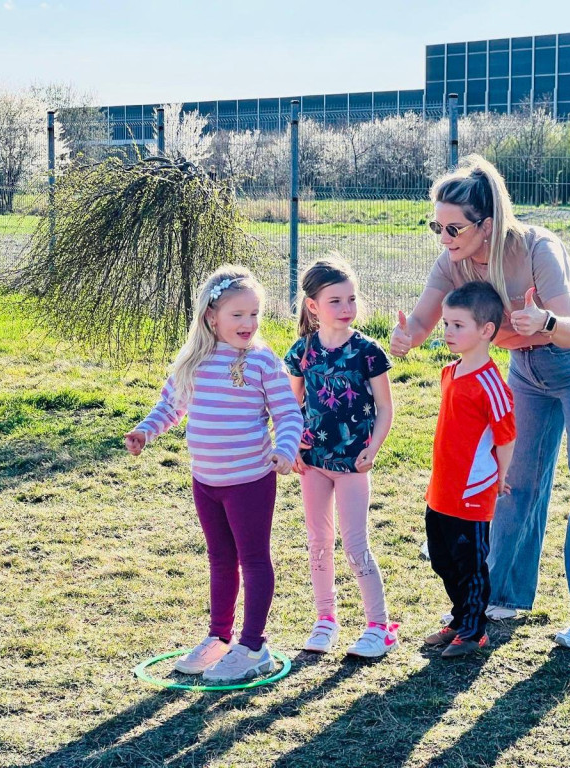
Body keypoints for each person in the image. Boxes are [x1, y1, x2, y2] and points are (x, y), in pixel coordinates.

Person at [390, 155, 570, 650]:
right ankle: (506, 595)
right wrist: (405, 338)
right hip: (527, 372)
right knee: (515, 482)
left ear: (487, 224)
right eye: (437, 225)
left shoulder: (538, 247)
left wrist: (540, 321)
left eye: (453, 227)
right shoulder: (451, 262)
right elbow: (422, 321)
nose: (444, 236)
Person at [124, 265, 302, 682]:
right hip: (206, 482)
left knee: (254, 559)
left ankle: (253, 646)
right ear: (211, 316)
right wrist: (145, 432)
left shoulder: (261, 362)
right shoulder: (194, 362)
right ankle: (219, 637)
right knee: (221, 560)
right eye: (238, 314)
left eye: (254, 313)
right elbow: (170, 407)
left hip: (250, 481)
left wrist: (284, 449)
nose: (249, 323)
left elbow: (288, 414)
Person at [284, 255, 399, 658]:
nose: (346, 308)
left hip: (353, 464)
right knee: (318, 541)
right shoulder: (302, 351)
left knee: (354, 544)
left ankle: (379, 627)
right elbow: (288, 404)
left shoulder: (368, 352)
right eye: (335, 301)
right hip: (312, 462)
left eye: (351, 299)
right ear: (313, 306)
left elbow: (385, 407)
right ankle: (325, 620)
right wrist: (292, 443)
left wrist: (373, 447)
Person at [423, 281, 516, 658]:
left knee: (471, 564)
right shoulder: (450, 372)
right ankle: (461, 617)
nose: (448, 332)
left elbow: (506, 436)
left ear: (486, 331)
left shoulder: (491, 383)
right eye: (446, 324)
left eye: (458, 325)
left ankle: (475, 631)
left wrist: (501, 478)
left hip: (472, 492)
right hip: (441, 488)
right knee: (442, 560)